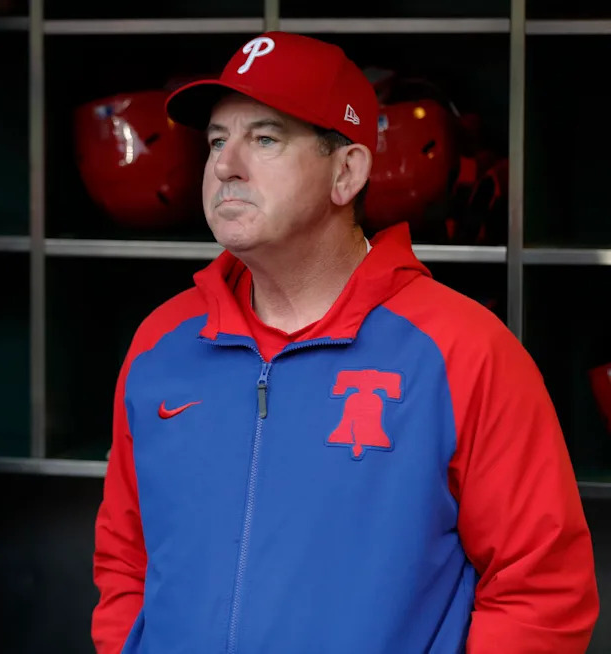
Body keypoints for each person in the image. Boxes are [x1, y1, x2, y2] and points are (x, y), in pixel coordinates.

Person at [91, 31, 599, 654]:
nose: (225, 164)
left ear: (347, 171)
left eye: (265, 138)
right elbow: (124, 557)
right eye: (218, 140)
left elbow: (541, 588)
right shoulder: (161, 343)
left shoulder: (462, 349)